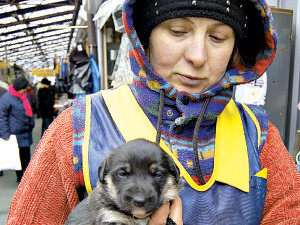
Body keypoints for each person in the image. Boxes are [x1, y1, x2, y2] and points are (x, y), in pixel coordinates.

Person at [6, 0, 300, 224]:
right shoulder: (79, 127)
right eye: (178, 31)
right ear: (143, 39)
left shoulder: (258, 135)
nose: (197, 56)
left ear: (236, 48)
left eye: (218, 37)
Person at [0, 76, 35, 182]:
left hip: (26, 130)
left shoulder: (25, 95)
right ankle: (20, 177)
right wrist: (5, 133)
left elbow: (29, 109)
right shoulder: (6, 98)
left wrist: (31, 124)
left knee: (26, 154)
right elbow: (2, 117)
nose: (26, 90)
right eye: (24, 88)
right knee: (18, 156)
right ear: (19, 88)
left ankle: (27, 175)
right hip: (14, 133)